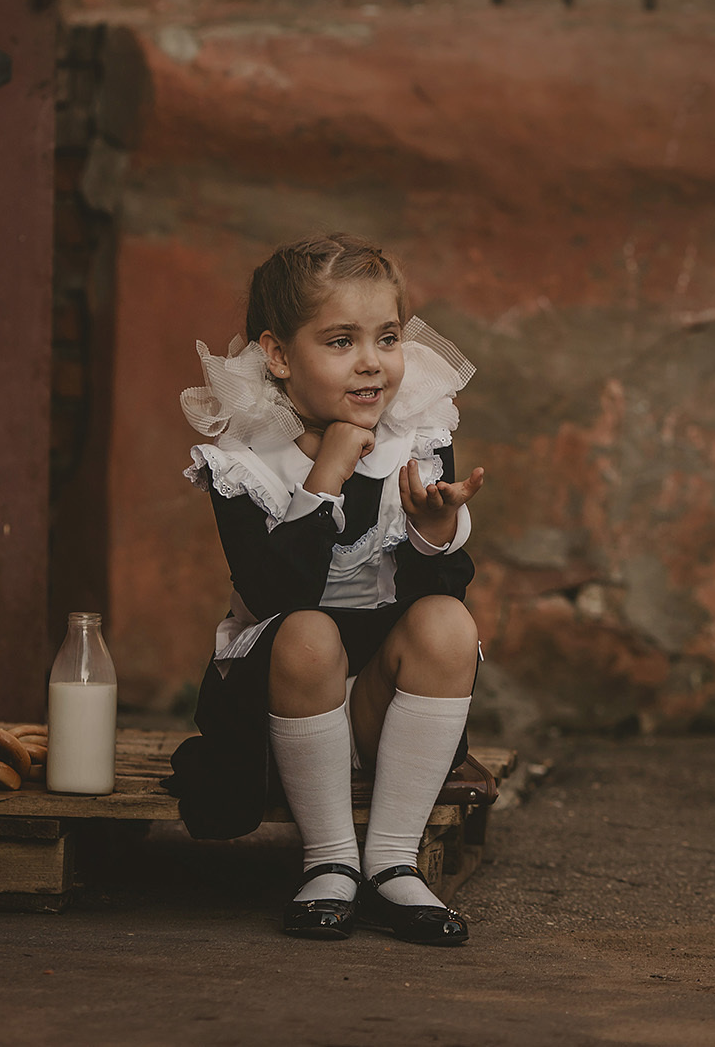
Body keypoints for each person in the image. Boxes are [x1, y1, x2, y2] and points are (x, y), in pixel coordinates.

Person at [163, 233, 487, 945]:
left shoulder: (417, 435)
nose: (372, 361)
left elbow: (444, 593)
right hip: (279, 701)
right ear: (279, 355)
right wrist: (325, 476)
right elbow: (276, 589)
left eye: (388, 336)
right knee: (310, 629)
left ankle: (393, 861)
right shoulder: (244, 457)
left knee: (446, 623)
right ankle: (330, 859)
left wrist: (434, 533)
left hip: (377, 712)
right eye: (341, 341)